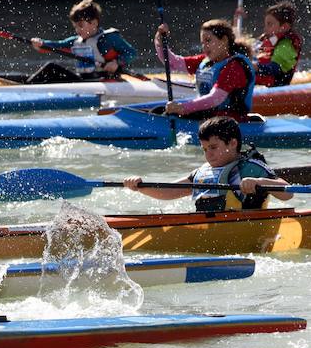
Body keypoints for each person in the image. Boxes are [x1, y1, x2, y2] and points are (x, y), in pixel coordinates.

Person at [123, 116, 293, 212]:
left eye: (213, 147)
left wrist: (258, 182)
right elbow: (170, 191)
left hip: (247, 227)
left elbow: (288, 193)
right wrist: (140, 186)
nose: (208, 154)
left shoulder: (251, 167)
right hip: (208, 230)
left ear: (232, 143)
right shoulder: (201, 173)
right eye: (204, 149)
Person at [155, 19, 255, 121]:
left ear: (224, 40)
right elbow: (173, 63)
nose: (204, 46)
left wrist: (182, 108)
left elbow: (215, 98)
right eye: (202, 42)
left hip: (230, 122)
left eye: (208, 40)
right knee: (159, 111)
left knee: (167, 115)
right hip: (209, 117)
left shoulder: (235, 67)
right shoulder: (205, 62)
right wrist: (160, 40)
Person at [29, 0, 138, 83]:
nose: (77, 30)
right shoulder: (75, 41)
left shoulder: (109, 39)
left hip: (105, 81)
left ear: (94, 23)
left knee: (51, 68)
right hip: (83, 81)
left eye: (81, 26)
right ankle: (26, 85)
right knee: (51, 69)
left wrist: (116, 62)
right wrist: (41, 43)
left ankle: (27, 87)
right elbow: (57, 46)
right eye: (75, 26)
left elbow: (132, 53)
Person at [238, 1, 303, 87]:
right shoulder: (268, 39)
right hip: (257, 86)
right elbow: (243, 47)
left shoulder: (286, 45)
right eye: (265, 24)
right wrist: (237, 19)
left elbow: (276, 69)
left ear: (284, 27)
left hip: (273, 91)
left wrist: (255, 67)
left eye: (270, 24)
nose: (265, 28)